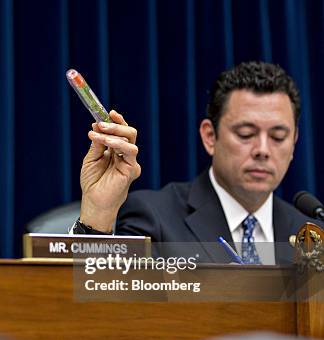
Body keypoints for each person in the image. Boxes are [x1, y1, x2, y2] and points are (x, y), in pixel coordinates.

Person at [76, 61, 320, 263]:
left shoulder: (312, 235)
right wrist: (98, 214)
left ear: (295, 141)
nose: (263, 150)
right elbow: (103, 301)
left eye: (278, 136)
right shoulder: (155, 219)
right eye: (246, 134)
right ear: (210, 136)